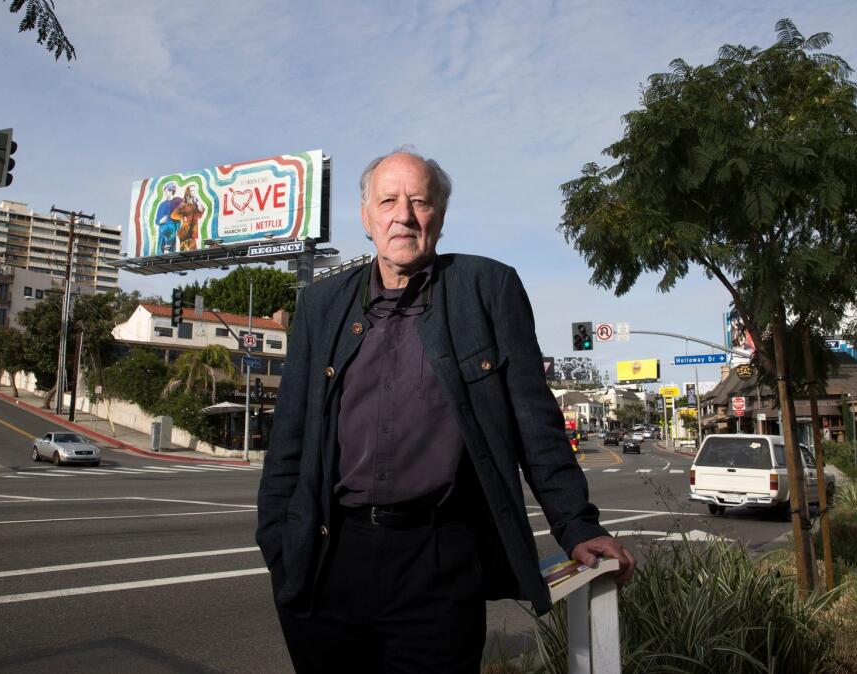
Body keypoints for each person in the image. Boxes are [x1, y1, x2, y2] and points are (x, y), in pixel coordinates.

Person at [256, 149, 635, 673]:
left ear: (440, 216)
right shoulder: (321, 304)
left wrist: (577, 525)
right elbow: (289, 440)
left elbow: (533, 420)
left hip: (439, 562)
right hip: (329, 563)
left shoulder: (487, 289)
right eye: (388, 201)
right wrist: (278, 545)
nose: (404, 215)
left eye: (420, 201)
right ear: (366, 217)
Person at [155, 182, 181, 253]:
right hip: (162, 230)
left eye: (166, 191)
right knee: (160, 250)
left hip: (172, 230)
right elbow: (156, 220)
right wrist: (160, 221)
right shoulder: (162, 205)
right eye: (165, 192)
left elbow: (179, 219)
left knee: (172, 250)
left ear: (171, 191)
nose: (165, 193)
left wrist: (178, 230)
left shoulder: (177, 203)